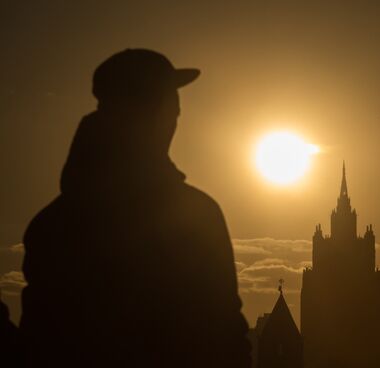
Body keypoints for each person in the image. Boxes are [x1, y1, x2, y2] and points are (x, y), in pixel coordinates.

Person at [20, 49, 251, 367]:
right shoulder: (195, 215)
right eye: (170, 105)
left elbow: (38, 342)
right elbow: (226, 336)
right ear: (152, 114)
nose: (176, 117)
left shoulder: (51, 224)